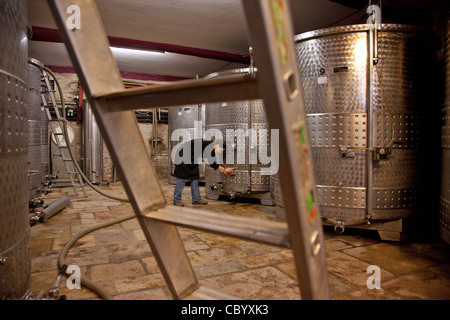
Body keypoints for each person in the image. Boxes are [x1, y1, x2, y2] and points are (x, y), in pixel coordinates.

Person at [172, 138, 233, 206]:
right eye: (221, 150)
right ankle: (176, 200)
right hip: (182, 156)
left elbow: (213, 163)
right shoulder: (208, 146)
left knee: (194, 177)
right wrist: (224, 170)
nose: (220, 152)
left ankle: (196, 199)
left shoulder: (211, 148)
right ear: (217, 145)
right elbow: (212, 163)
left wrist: (224, 170)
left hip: (191, 159)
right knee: (182, 177)